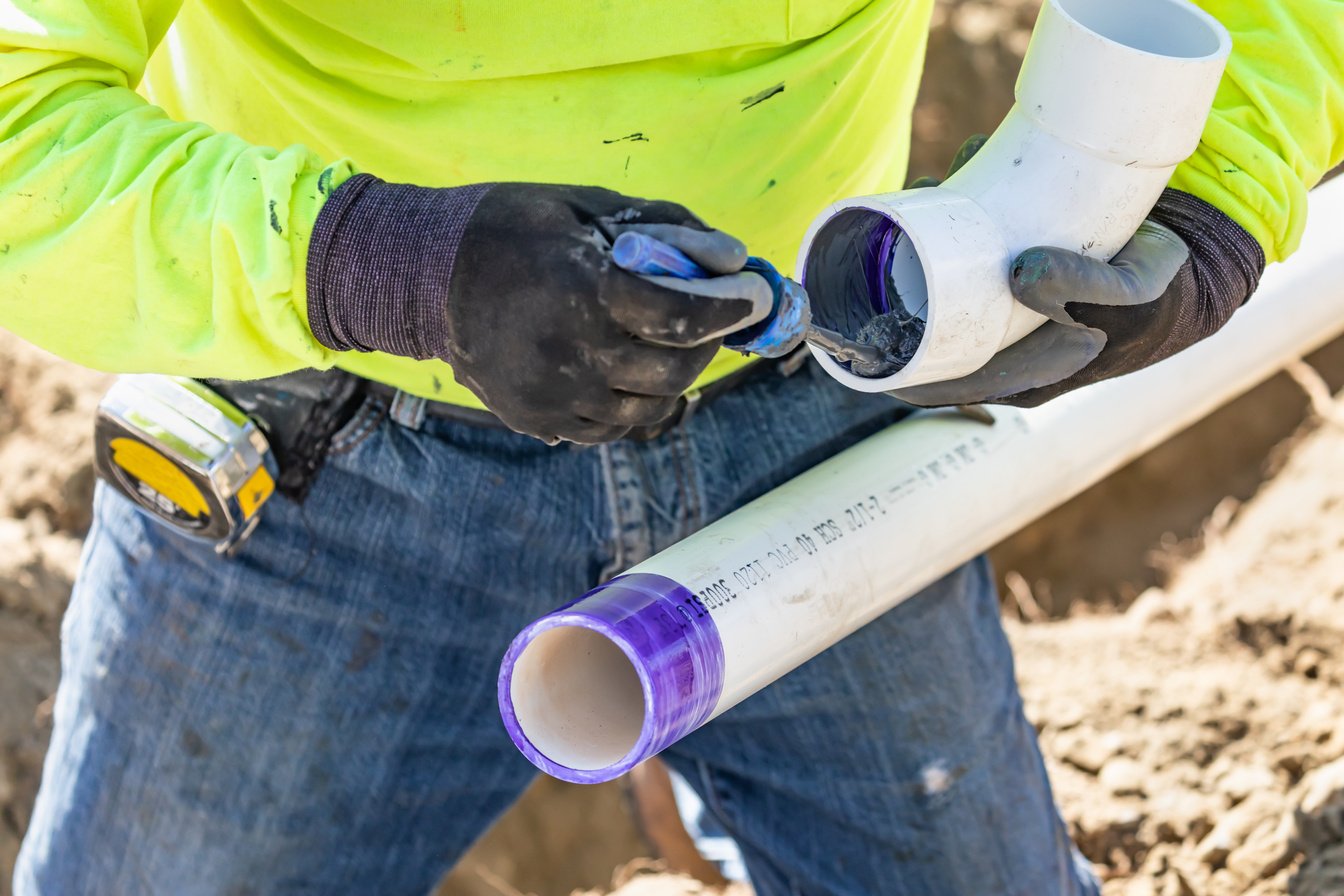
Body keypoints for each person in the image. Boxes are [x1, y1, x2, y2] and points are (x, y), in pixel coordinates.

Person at [2, 1, 1339, 894]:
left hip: (808, 424)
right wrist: (393, 263)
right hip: (334, 457)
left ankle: (681, 755)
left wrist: (1214, 177)